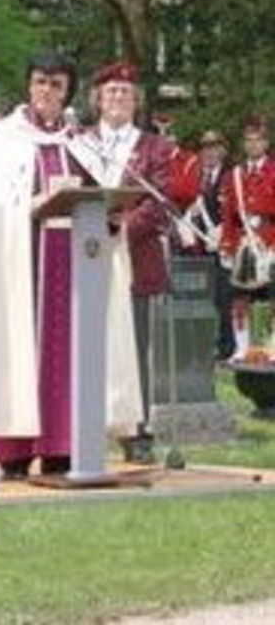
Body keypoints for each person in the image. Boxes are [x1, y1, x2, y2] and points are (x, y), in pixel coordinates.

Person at [0, 53, 141, 479]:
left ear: (68, 92)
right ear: (29, 85)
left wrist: (111, 216)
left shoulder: (81, 141)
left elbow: (98, 193)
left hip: (75, 271)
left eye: (57, 85)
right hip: (20, 267)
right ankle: (13, 449)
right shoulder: (1, 141)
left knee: (72, 355)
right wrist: (27, 207)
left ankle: (63, 447)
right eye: (40, 82)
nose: (47, 92)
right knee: (18, 352)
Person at [80, 61, 171, 453]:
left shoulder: (156, 148)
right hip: (84, 257)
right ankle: (85, 427)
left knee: (135, 349)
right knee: (84, 345)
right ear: (98, 99)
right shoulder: (78, 142)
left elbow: (159, 203)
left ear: (136, 102)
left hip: (135, 260)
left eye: (126, 92)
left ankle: (136, 432)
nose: (118, 97)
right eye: (111, 91)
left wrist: (119, 229)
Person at [170, 129, 234, 359]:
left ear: (223, 150)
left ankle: (225, 347)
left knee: (221, 299)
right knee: (193, 300)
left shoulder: (230, 175)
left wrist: (224, 234)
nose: (210, 152)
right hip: (192, 245)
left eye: (215, 147)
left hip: (219, 246)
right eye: (206, 147)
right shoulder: (192, 174)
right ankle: (195, 346)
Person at [219, 117, 275, 360]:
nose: (253, 145)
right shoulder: (235, 175)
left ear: (266, 143)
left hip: (270, 240)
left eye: (258, 140)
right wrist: (228, 246)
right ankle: (241, 348)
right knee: (240, 300)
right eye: (249, 140)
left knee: (273, 297)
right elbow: (228, 214)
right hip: (243, 244)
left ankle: (273, 347)